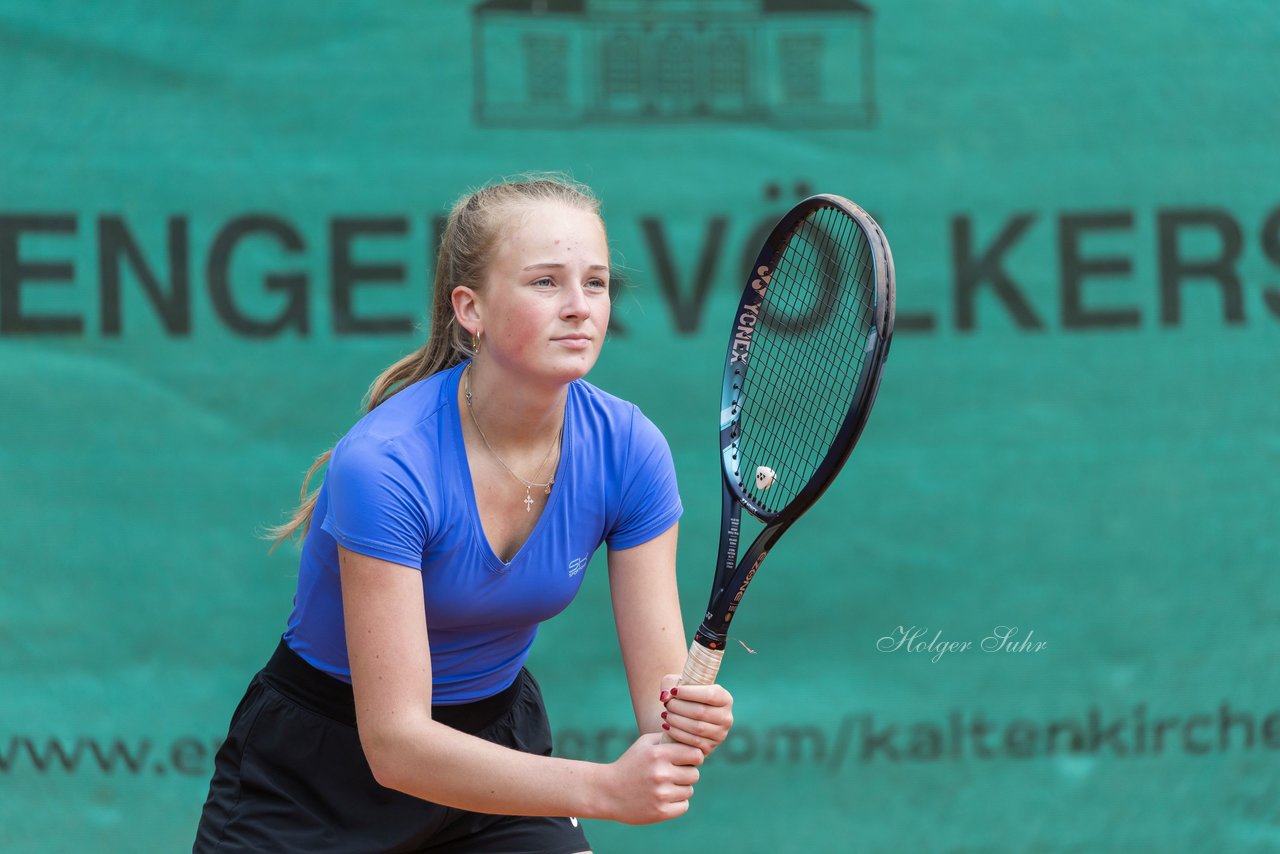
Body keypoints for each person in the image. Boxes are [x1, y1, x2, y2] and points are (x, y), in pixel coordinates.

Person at [193, 175, 734, 853]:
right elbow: (395, 745)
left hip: (499, 757)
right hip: (318, 780)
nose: (579, 307)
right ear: (470, 308)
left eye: (594, 283)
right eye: (545, 282)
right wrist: (601, 789)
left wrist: (687, 718)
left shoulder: (630, 450)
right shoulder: (386, 462)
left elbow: (661, 708)